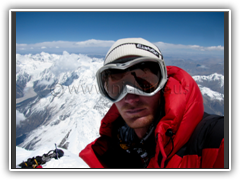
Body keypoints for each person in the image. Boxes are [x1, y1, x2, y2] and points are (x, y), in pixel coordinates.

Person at [79, 38, 224, 168]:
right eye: (116, 88)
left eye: (145, 83)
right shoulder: (113, 152)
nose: (130, 99)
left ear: (163, 84)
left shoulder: (215, 139)